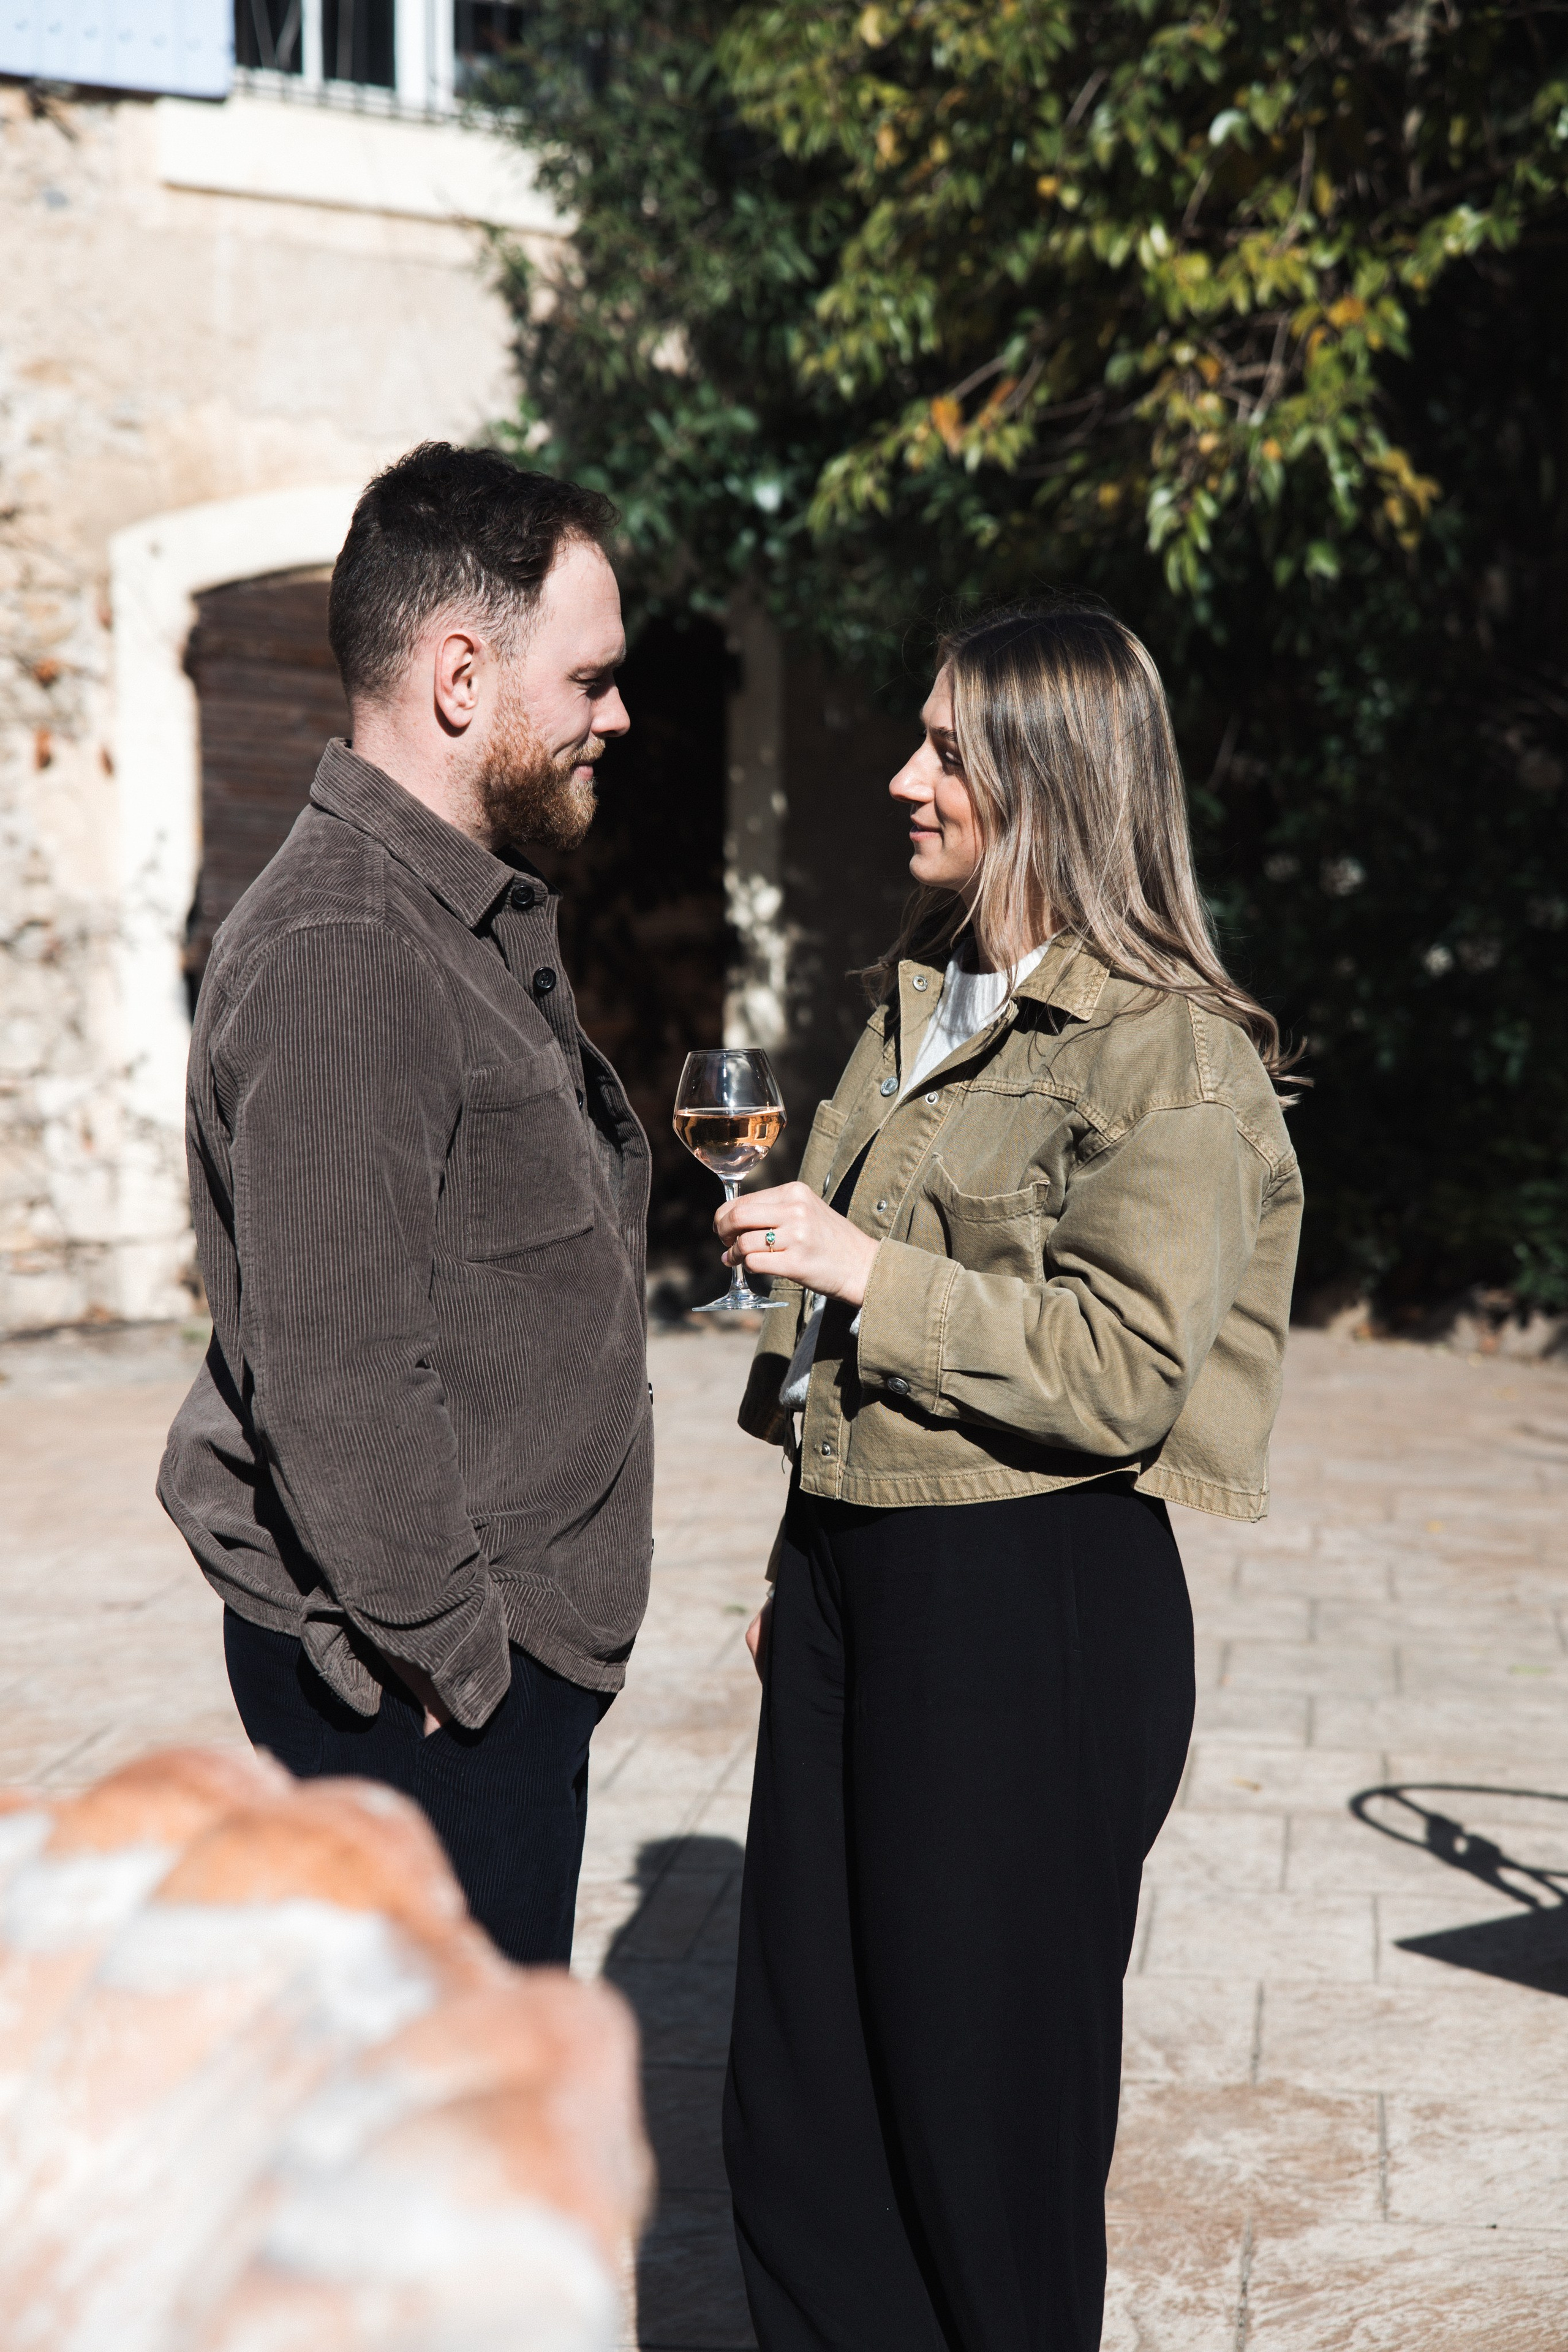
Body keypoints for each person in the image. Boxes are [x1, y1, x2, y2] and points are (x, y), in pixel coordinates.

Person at [715, 604, 1304, 2351]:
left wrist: (856, 1266)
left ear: (1051, 778)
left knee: (985, 2121)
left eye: (947, 750)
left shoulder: (1170, 1053)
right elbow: (829, 1329)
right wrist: (795, 1560)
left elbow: (1124, 1371)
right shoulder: (923, 991)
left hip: (1026, 1599)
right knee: (807, 2097)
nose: (905, 778)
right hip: (853, 1569)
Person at [159, 443, 653, 1967]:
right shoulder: (346, 947)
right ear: (459, 676)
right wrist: (459, 1654)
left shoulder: (447, 912)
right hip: (424, 1707)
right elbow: (338, 1368)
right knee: (445, 2170)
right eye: (588, 679)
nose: (615, 716)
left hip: (465, 1694)